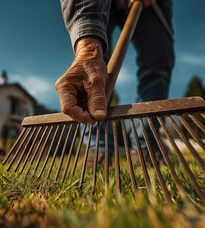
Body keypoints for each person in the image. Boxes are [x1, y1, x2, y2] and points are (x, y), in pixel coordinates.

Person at [56, 0, 174, 163]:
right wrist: (88, 47)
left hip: (151, 5)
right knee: (93, 66)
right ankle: (98, 147)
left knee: (157, 61)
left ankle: (146, 145)